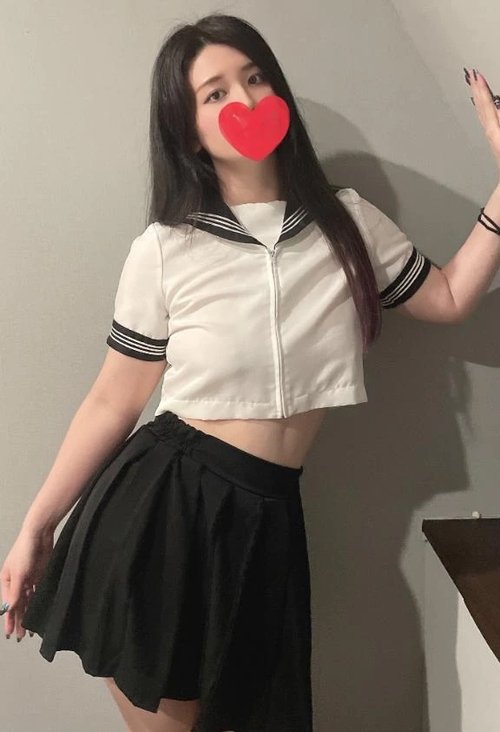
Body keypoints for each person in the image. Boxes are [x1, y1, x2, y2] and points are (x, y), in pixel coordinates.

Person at [1, 12, 500, 732]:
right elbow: (114, 400)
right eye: (215, 93)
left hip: (270, 515)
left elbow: (448, 298)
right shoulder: (166, 249)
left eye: (256, 76)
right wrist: (36, 525)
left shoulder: (346, 224)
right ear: (187, 132)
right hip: (166, 510)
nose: (245, 98)